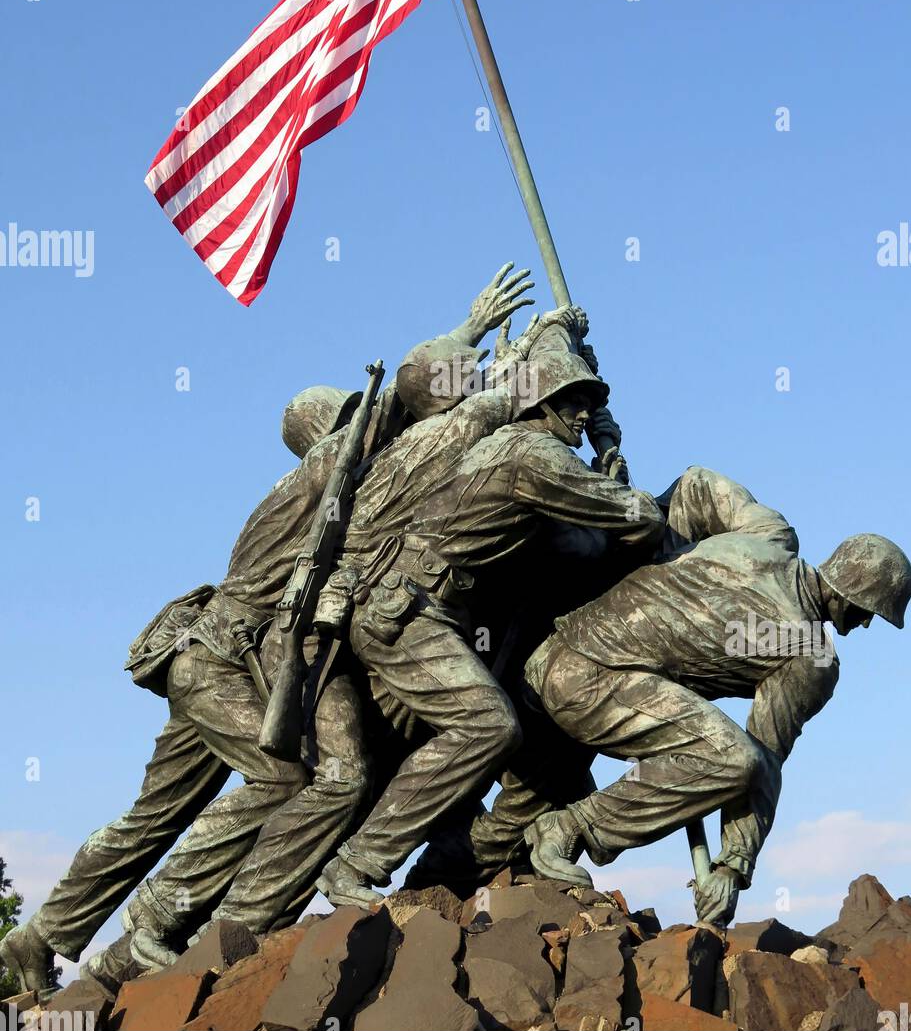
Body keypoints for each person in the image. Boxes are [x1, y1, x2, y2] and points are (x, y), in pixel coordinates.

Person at [0, 264, 535, 992]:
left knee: (151, 819)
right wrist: (479, 340)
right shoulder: (327, 470)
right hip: (227, 661)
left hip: (209, 657)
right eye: (357, 416)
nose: (371, 424)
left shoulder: (323, 484)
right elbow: (415, 394)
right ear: (335, 430)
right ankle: (161, 918)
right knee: (288, 775)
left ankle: (39, 937)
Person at [317, 323, 666, 909]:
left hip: (428, 607)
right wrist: (611, 461)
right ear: (540, 403)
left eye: (587, 404)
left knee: (509, 735)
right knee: (487, 727)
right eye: (570, 402)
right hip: (407, 610)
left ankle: (494, 857)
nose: (581, 415)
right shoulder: (536, 454)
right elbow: (641, 521)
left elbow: (583, 543)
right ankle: (357, 864)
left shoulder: (515, 446)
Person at [517, 466, 911, 927]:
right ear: (854, 598)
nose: (865, 625)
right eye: (870, 614)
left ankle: (514, 854)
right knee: (732, 761)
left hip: (549, 653)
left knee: (506, 822)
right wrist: (733, 866)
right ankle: (569, 827)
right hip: (587, 686)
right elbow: (762, 761)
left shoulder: (770, 533)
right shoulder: (810, 656)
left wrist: (665, 555)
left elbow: (695, 485)